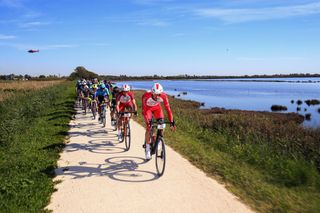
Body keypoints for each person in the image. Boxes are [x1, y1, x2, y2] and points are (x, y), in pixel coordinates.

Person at [141, 83, 176, 160]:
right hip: (148, 110)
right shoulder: (146, 96)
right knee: (149, 128)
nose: (157, 96)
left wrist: (171, 122)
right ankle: (147, 149)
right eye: (155, 94)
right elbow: (144, 110)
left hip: (157, 109)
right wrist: (148, 122)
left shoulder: (164, 96)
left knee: (162, 124)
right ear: (152, 92)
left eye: (159, 94)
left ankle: (159, 140)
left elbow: (168, 110)